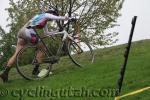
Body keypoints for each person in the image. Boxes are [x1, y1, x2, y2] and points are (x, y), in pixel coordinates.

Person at [0, 6, 71, 82]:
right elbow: (58, 18)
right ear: (51, 13)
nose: (52, 19)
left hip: (21, 32)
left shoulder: (39, 17)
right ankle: (36, 70)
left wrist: (56, 31)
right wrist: (69, 18)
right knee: (42, 48)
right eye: (54, 15)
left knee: (16, 54)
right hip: (28, 33)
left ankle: (5, 72)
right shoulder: (46, 15)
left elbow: (47, 33)